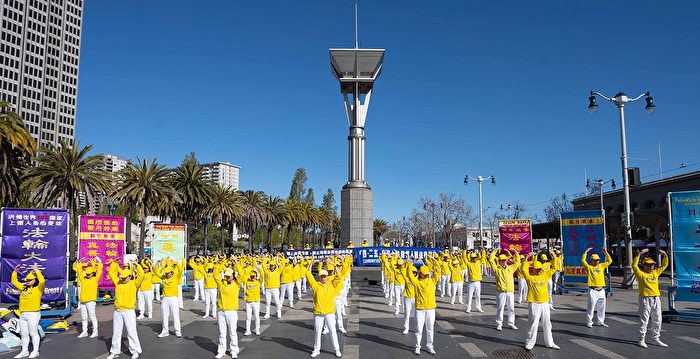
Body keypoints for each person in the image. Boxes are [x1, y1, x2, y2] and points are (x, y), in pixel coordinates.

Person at [520, 253, 559, 351]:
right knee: (533, 323)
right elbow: (523, 269)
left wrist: (554, 256)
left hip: (545, 303)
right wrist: (527, 258)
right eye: (537, 269)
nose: (539, 270)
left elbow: (554, 268)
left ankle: (550, 342)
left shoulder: (545, 275)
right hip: (534, 303)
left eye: (540, 268)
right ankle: (529, 343)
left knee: (547, 323)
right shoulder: (529, 278)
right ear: (533, 268)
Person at [106, 262, 145, 359]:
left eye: (125, 277)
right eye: (122, 277)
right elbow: (111, 273)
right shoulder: (118, 282)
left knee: (131, 332)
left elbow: (142, 275)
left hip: (129, 311)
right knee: (116, 332)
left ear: (130, 276)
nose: (123, 279)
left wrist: (137, 265)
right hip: (118, 311)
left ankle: (135, 350)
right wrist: (114, 263)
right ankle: (115, 351)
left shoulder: (134, 283)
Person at [305, 260, 343, 358]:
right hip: (318, 312)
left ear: (327, 276)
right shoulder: (315, 285)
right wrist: (312, 263)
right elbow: (307, 274)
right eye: (321, 276)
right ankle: (316, 350)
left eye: (325, 276)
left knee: (332, 331)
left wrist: (334, 264)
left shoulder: (332, 284)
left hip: (329, 312)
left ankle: (337, 349)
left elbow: (339, 276)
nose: (323, 278)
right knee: (317, 332)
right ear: (319, 276)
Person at [633, 248, 669, 348]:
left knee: (658, 319)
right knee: (644, 320)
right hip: (645, 299)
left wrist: (665, 255)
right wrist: (639, 254)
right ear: (644, 265)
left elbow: (664, 265)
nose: (651, 266)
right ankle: (641, 339)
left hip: (656, 298)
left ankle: (655, 338)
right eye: (648, 265)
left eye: (652, 264)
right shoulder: (640, 274)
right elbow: (634, 266)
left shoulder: (655, 273)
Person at [406, 257, 441, 355]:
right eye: (424, 274)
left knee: (430, 329)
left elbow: (438, 271)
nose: (426, 275)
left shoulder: (432, 280)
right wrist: (410, 264)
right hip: (420, 309)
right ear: (420, 273)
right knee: (418, 329)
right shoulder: (416, 282)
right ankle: (417, 347)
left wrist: (435, 262)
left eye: (427, 274)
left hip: (431, 309)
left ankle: (430, 346)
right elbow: (409, 274)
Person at [10, 266, 45, 359]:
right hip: (23, 314)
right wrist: (15, 271)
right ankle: (24, 351)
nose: (27, 281)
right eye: (27, 280)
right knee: (24, 334)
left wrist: (37, 271)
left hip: (33, 314)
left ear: (34, 280)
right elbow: (14, 282)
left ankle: (35, 351)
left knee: (33, 333)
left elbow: (42, 281)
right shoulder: (24, 288)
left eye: (30, 280)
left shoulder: (38, 288)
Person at [214, 261, 245, 359]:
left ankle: (234, 350)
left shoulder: (236, 283)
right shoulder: (221, 283)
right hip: (221, 310)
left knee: (232, 332)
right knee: (222, 333)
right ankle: (221, 350)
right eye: (225, 275)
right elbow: (215, 274)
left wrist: (236, 263)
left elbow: (242, 274)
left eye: (228, 276)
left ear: (233, 275)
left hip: (231, 311)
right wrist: (219, 264)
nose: (226, 277)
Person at [489, 249, 520, 331]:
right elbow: (491, 260)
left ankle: (511, 323)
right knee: (500, 307)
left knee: (511, 308)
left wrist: (515, 253)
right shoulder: (497, 269)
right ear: (499, 261)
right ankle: (499, 323)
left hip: (510, 291)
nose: (504, 261)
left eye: (505, 260)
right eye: (502, 260)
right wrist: (494, 252)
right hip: (501, 292)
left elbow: (517, 262)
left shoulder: (510, 268)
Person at [581, 248, 612, 328]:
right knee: (591, 307)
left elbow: (609, 261)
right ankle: (589, 322)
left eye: (597, 260)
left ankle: (600, 321)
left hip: (601, 290)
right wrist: (585, 253)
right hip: (593, 290)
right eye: (595, 260)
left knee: (602, 307)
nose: (596, 261)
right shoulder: (589, 267)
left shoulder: (601, 266)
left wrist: (605, 252)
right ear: (591, 260)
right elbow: (583, 261)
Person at [154, 258, 185, 338]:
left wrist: (176, 261)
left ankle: (177, 331)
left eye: (168, 273)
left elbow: (181, 269)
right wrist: (158, 264)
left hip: (174, 298)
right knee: (164, 315)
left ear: (172, 272)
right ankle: (165, 331)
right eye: (166, 273)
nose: (167, 274)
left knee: (175, 315)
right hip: (165, 298)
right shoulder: (164, 277)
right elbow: (156, 272)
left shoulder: (176, 277)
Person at [75, 258, 103, 338]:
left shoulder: (95, 279)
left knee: (92, 316)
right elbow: (79, 270)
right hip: (83, 300)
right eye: (86, 274)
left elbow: (99, 271)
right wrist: (80, 263)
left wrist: (99, 262)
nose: (87, 275)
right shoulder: (83, 279)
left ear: (92, 273)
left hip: (91, 301)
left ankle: (95, 331)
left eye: (88, 274)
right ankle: (84, 332)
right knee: (84, 317)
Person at [394, 261, 418, 335]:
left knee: (416, 314)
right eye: (412, 272)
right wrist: (408, 264)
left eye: (414, 272)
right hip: (407, 298)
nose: (413, 273)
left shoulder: (418, 280)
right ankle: (406, 328)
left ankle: (417, 329)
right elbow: (403, 270)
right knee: (407, 314)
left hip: (415, 298)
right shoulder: (407, 278)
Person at [243, 267, 262, 336]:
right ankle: (248, 330)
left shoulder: (258, 281)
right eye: (251, 276)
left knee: (257, 317)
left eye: (253, 276)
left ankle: (257, 330)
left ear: (256, 276)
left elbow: (262, 275)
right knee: (248, 317)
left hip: (256, 302)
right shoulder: (247, 281)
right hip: (248, 302)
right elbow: (243, 274)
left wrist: (258, 268)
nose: (252, 277)